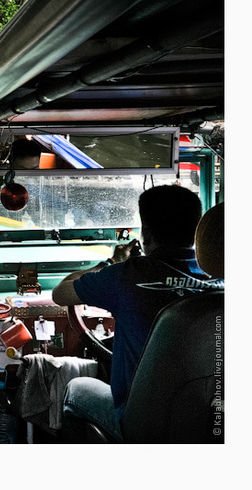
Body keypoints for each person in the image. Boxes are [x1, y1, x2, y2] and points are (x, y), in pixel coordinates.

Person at [52, 184, 223, 441]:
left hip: (144, 424)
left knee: (76, 388)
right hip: (207, 423)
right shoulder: (222, 281)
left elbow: (60, 293)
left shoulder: (127, 275)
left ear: (146, 232)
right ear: (196, 227)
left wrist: (111, 263)